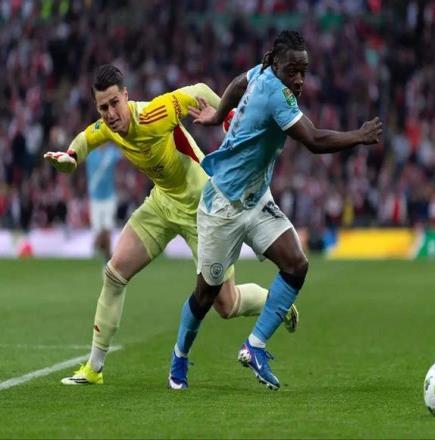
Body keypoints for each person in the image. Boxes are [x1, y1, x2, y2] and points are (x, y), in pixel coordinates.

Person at [44, 64, 299, 386]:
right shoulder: (109, 126)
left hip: (204, 209)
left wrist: (228, 116)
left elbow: (199, 91)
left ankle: (277, 304)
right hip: (163, 203)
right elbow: (86, 137)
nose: (110, 114)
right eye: (103, 107)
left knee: (227, 305)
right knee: (114, 274)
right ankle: (94, 369)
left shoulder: (155, 114)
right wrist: (71, 157)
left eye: (114, 103)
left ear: (126, 96)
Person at [168, 30, 383, 390]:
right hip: (223, 206)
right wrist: (358, 136)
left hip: (256, 201)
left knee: (296, 264)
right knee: (206, 295)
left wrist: (217, 114)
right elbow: (313, 140)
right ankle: (179, 357)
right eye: (292, 71)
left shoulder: (262, 72)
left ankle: (254, 346)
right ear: (276, 64)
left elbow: (238, 82)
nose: (299, 80)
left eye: (304, 72)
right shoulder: (277, 94)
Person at [86, 143, 121, 260]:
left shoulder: (112, 152)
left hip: (109, 196)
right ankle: (99, 251)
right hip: (95, 197)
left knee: (107, 228)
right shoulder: (91, 154)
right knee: (97, 230)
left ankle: (108, 257)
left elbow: (125, 155)